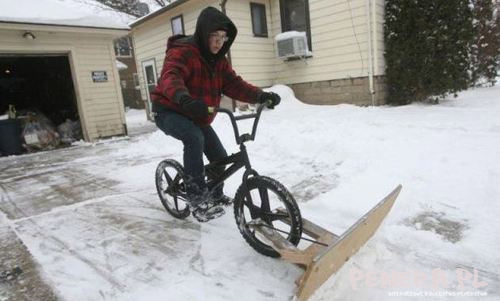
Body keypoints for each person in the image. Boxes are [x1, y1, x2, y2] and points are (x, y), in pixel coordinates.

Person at [151, 6, 281, 222]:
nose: (219, 42)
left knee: (220, 159)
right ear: (203, 33)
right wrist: (185, 99)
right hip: (169, 110)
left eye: (223, 37)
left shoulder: (219, 61)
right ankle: (197, 198)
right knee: (194, 138)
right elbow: (170, 77)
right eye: (214, 36)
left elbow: (234, 85)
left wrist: (261, 96)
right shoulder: (182, 51)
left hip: (197, 114)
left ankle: (216, 195)